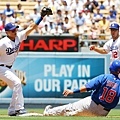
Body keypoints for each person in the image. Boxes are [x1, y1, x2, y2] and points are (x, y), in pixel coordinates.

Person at [0, 7, 52, 116]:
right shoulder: (3, 43)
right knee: (17, 83)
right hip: (1, 67)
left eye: (16, 29)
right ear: (7, 32)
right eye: (13, 30)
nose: (16, 31)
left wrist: (41, 17)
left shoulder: (18, 36)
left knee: (16, 86)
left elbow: (31, 27)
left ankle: (12, 110)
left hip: (8, 68)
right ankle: (19, 108)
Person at [43, 59, 120, 116]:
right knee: (75, 113)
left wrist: (73, 91)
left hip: (91, 104)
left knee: (70, 108)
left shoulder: (104, 77)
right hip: (103, 113)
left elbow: (87, 87)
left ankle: (48, 113)